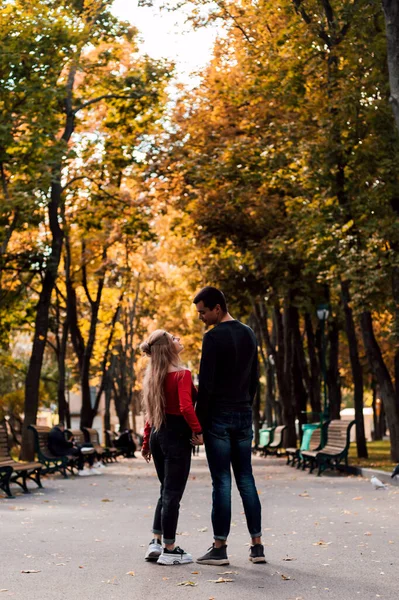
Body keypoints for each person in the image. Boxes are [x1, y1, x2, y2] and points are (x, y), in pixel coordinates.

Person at [193, 286, 265, 565]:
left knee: (221, 481)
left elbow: (207, 385)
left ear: (217, 309)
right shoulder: (249, 333)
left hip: (219, 418)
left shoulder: (212, 338)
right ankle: (257, 546)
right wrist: (246, 404)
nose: (201, 317)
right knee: (246, 478)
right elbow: (255, 377)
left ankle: (220, 547)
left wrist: (197, 424)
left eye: (203, 312)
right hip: (243, 414)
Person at [140, 329, 203, 566]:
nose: (179, 340)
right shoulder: (181, 374)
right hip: (176, 436)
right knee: (172, 495)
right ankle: (170, 549)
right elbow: (187, 407)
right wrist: (198, 431)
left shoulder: (153, 377)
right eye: (174, 338)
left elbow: (150, 415)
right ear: (168, 347)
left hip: (158, 436)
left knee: (165, 490)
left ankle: (155, 542)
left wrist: (146, 442)